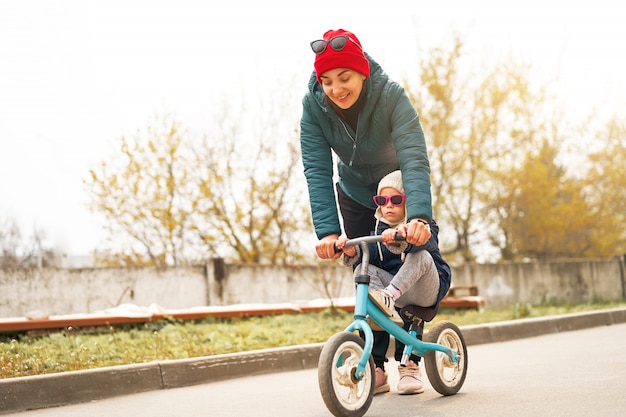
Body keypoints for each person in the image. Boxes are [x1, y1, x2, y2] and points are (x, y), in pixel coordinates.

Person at [299, 28, 450, 394]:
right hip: (354, 194)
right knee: (366, 269)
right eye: (328, 80)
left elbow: (414, 158)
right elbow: (316, 169)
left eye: (345, 77)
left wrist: (418, 217)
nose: (336, 89)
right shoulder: (314, 108)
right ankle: (376, 366)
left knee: (414, 257)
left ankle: (411, 356)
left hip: (397, 189)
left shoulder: (392, 97)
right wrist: (329, 233)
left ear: (362, 72)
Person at [337, 170, 451, 395]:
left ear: (408, 201)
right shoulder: (377, 233)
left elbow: (424, 247)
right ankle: (376, 368)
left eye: (396, 200)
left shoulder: (425, 226)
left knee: (419, 257)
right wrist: (350, 249)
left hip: (426, 285)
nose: (388, 206)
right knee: (364, 270)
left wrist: (403, 236)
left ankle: (409, 366)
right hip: (394, 292)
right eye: (382, 200)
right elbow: (363, 255)